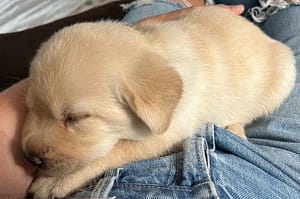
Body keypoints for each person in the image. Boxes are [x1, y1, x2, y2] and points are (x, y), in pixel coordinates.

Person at [0, 0, 299, 198]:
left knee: (286, 65)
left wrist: (87, 168)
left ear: (150, 102)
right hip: (255, 180)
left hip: (256, 61)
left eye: (73, 118)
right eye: (31, 106)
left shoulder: (164, 86)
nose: (32, 142)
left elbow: (162, 135)